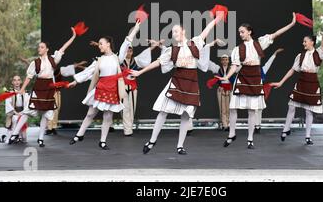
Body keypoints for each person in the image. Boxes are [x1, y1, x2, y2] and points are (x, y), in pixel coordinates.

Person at [131, 14, 219, 155]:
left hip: (191, 83)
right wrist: (140, 72)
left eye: (176, 31)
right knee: (163, 112)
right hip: (177, 81)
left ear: (183, 31)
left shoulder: (194, 43)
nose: (174, 34)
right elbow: (158, 62)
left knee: (186, 115)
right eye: (173, 32)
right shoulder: (172, 50)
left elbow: (206, 31)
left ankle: (180, 146)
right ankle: (152, 141)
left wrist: (216, 20)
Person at [219, 13, 296, 149]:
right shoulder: (238, 49)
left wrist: (292, 24)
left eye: (242, 32)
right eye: (239, 32)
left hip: (255, 77)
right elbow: (235, 65)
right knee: (232, 107)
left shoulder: (259, 43)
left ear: (249, 32)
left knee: (252, 110)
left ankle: (250, 139)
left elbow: (276, 34)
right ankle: (232, 134)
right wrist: (226, 77)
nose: (240, 34)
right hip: (242, 77)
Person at [68, 21, 142, 149]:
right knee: (91, 113)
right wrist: (75, 81)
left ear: (108, 44)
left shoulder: (117, 58)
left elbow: (127, 42)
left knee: (108, 116)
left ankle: (102, 141)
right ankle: (79, 135)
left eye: (101, 43)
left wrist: (135, 29)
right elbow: (88, 72)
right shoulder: (99, 60)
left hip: (112, 89)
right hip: (101, 89)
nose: (99, 46)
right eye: (99, 44)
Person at [8, 28, 77, 147]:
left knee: (46, 113)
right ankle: (14, 134)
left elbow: (63, 48)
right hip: (39, 87)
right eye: (39, 47)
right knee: (27, 111)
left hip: (49, 88)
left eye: (41, 47)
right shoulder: (35, 62)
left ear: (47, 49)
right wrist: (23, 89)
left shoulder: (53, 59)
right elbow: (29, 77)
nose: (39, 49)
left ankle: (40, 139)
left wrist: (73, 37)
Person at [272, 21, 323, 145]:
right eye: (303, 41)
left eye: (305, 41)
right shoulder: (300, 56)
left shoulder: (319, 53)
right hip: (301, 82)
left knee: (309, 111)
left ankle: (308, 136)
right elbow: (292, 70)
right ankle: (285, 129)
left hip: (312, 83)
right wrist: (281, 82)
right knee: (291, 106)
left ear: (312, 42)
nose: (303, 43)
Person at [120, 39, 162, 136]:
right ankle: (127, 130)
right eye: (127, 50)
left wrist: (156, 45)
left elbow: (146, 53)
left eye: (130, 51)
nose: (129, 52)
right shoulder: (120, 61)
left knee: (132, 107)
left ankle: (129, 127)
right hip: (122, 86)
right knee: (124, 107)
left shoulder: (136, 60)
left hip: (133, 86)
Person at [45, 61, 87, 135]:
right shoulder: (44, 72)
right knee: (50, 110)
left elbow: (69, 68)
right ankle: (49, 128)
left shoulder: (57, 71)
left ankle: (53, 127)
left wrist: (79, 65)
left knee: (56, 109)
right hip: (49, 93)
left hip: (56, 93)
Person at [255, 48, 284, 133]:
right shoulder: (249, 70)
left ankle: (258, 126)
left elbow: (269, 62)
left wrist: (275, 53)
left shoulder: (262, 69)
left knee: (259, 109)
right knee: (253, 110)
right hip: (252, 91)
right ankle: (254, 126)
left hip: (260, 91)